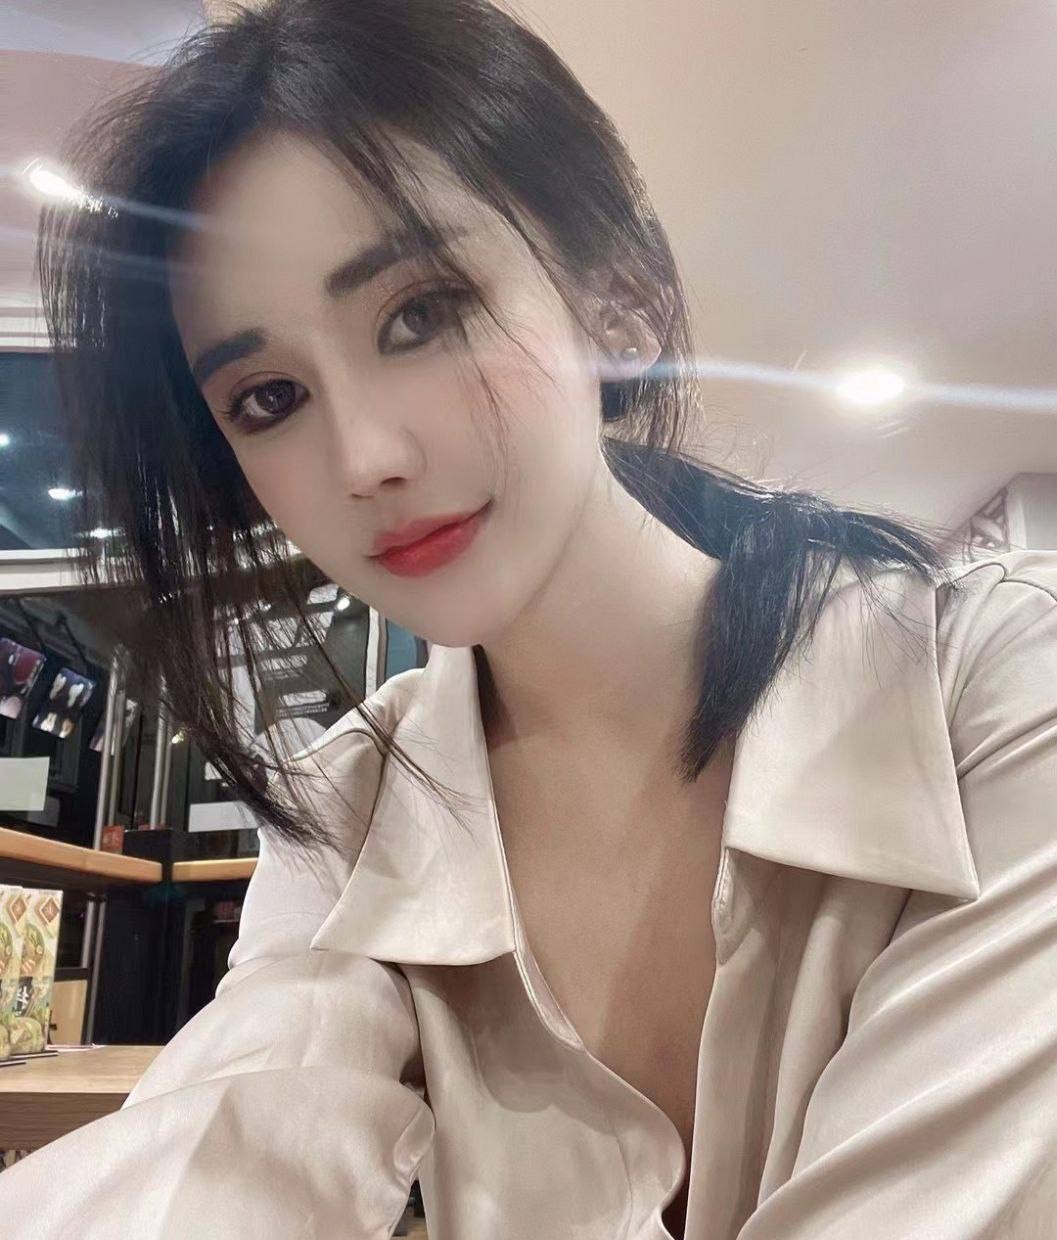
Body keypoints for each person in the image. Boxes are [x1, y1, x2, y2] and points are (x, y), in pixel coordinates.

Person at [3, 2, 1056, 1237]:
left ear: (620, 306)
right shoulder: (348, 808)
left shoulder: (988, 687)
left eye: (421, 312)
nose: (366, 458)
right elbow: (229, 1149)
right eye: (269, 396)